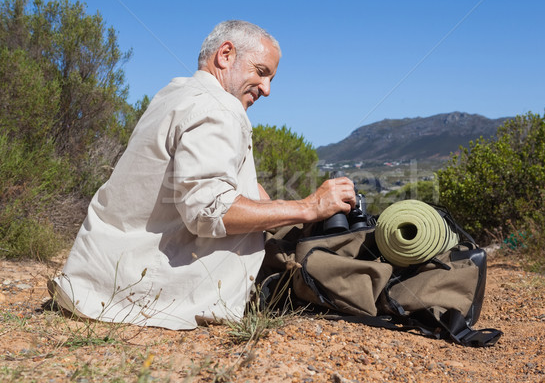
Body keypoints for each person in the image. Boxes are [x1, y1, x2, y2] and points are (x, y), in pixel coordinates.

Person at [49, 20, 355, 330]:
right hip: (144, 296)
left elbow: (215, 180)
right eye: (262, 72)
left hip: (100, 279)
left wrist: (280, 209)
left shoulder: (175, 94)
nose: (267, 89)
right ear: (225, 55)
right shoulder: (218, 109)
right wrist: (309, 207)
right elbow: (210, 210)